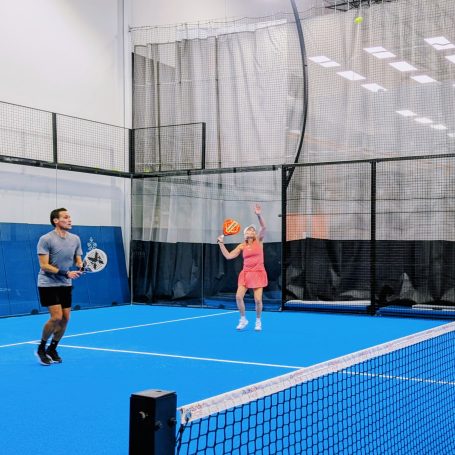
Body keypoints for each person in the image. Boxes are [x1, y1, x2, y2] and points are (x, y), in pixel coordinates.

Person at [35, 208, 83, 365]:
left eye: (70, 217)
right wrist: (66, 273)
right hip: (48, 283)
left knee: (65, 319)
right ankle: (41, 348)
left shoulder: (75, 239)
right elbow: (44, 265)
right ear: (56, 221)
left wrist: (81, 266)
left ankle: (52, 348)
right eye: (65, 217)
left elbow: (78, 260)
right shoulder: (46, 239)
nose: (69, 220)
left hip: (65, 284)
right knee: (56, 317)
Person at [217, 204, 267, 331]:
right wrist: (221, 243)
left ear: (255, 234)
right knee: (238, 297)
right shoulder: (241, 246)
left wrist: (258, 215)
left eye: (252, 230)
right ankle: (243, 319)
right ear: (245, 234)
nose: (251, 231)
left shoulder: (259, 241)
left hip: (258, 273)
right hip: (245, 274)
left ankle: (258, 320)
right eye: (248, 230)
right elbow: (228, 256)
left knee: (257, 300)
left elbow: (264, 227)